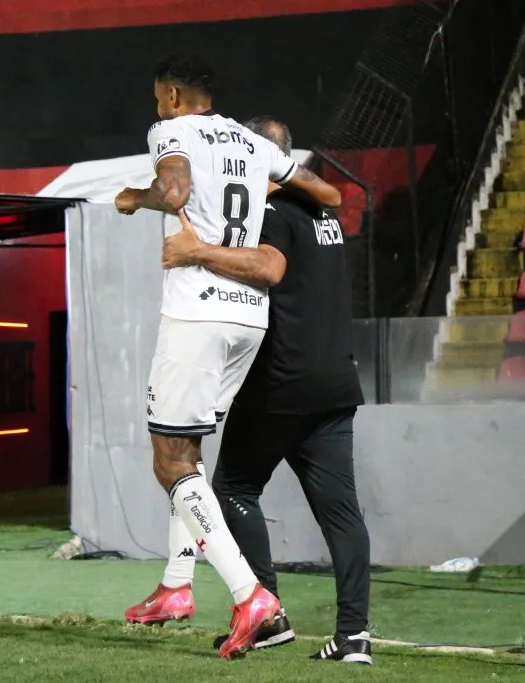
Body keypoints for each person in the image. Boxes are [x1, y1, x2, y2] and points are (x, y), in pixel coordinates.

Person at [113, 54, 342, 659]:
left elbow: (175, 190)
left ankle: (250, 596)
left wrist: (136, 197)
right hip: (249, 317)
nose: (158, 107)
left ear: (171, 96)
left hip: (198, 313)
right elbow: (329, 192)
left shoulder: (171, 131)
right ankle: (175, 586)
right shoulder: (251, 140)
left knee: (169, 461)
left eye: (158, 98)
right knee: (189, 452)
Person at [162, 117, 371, 665]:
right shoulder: (326, 217)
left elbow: (270, 269)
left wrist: (197, 251)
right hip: (335, 383)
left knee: (232, 487)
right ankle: (354, 636)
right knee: (342, 516)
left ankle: (268, 617)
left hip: (282, 384)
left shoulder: (271, 213)